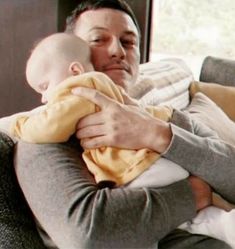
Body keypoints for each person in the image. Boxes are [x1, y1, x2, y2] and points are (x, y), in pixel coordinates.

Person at [14, 1, 235, 249]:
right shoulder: (44, 139)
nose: (117, 51)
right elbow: (89, 234)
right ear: (71, 56)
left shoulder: (166, 117)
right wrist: (194, 194)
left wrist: (159, 135)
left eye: (128, 42)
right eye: (98, 40)